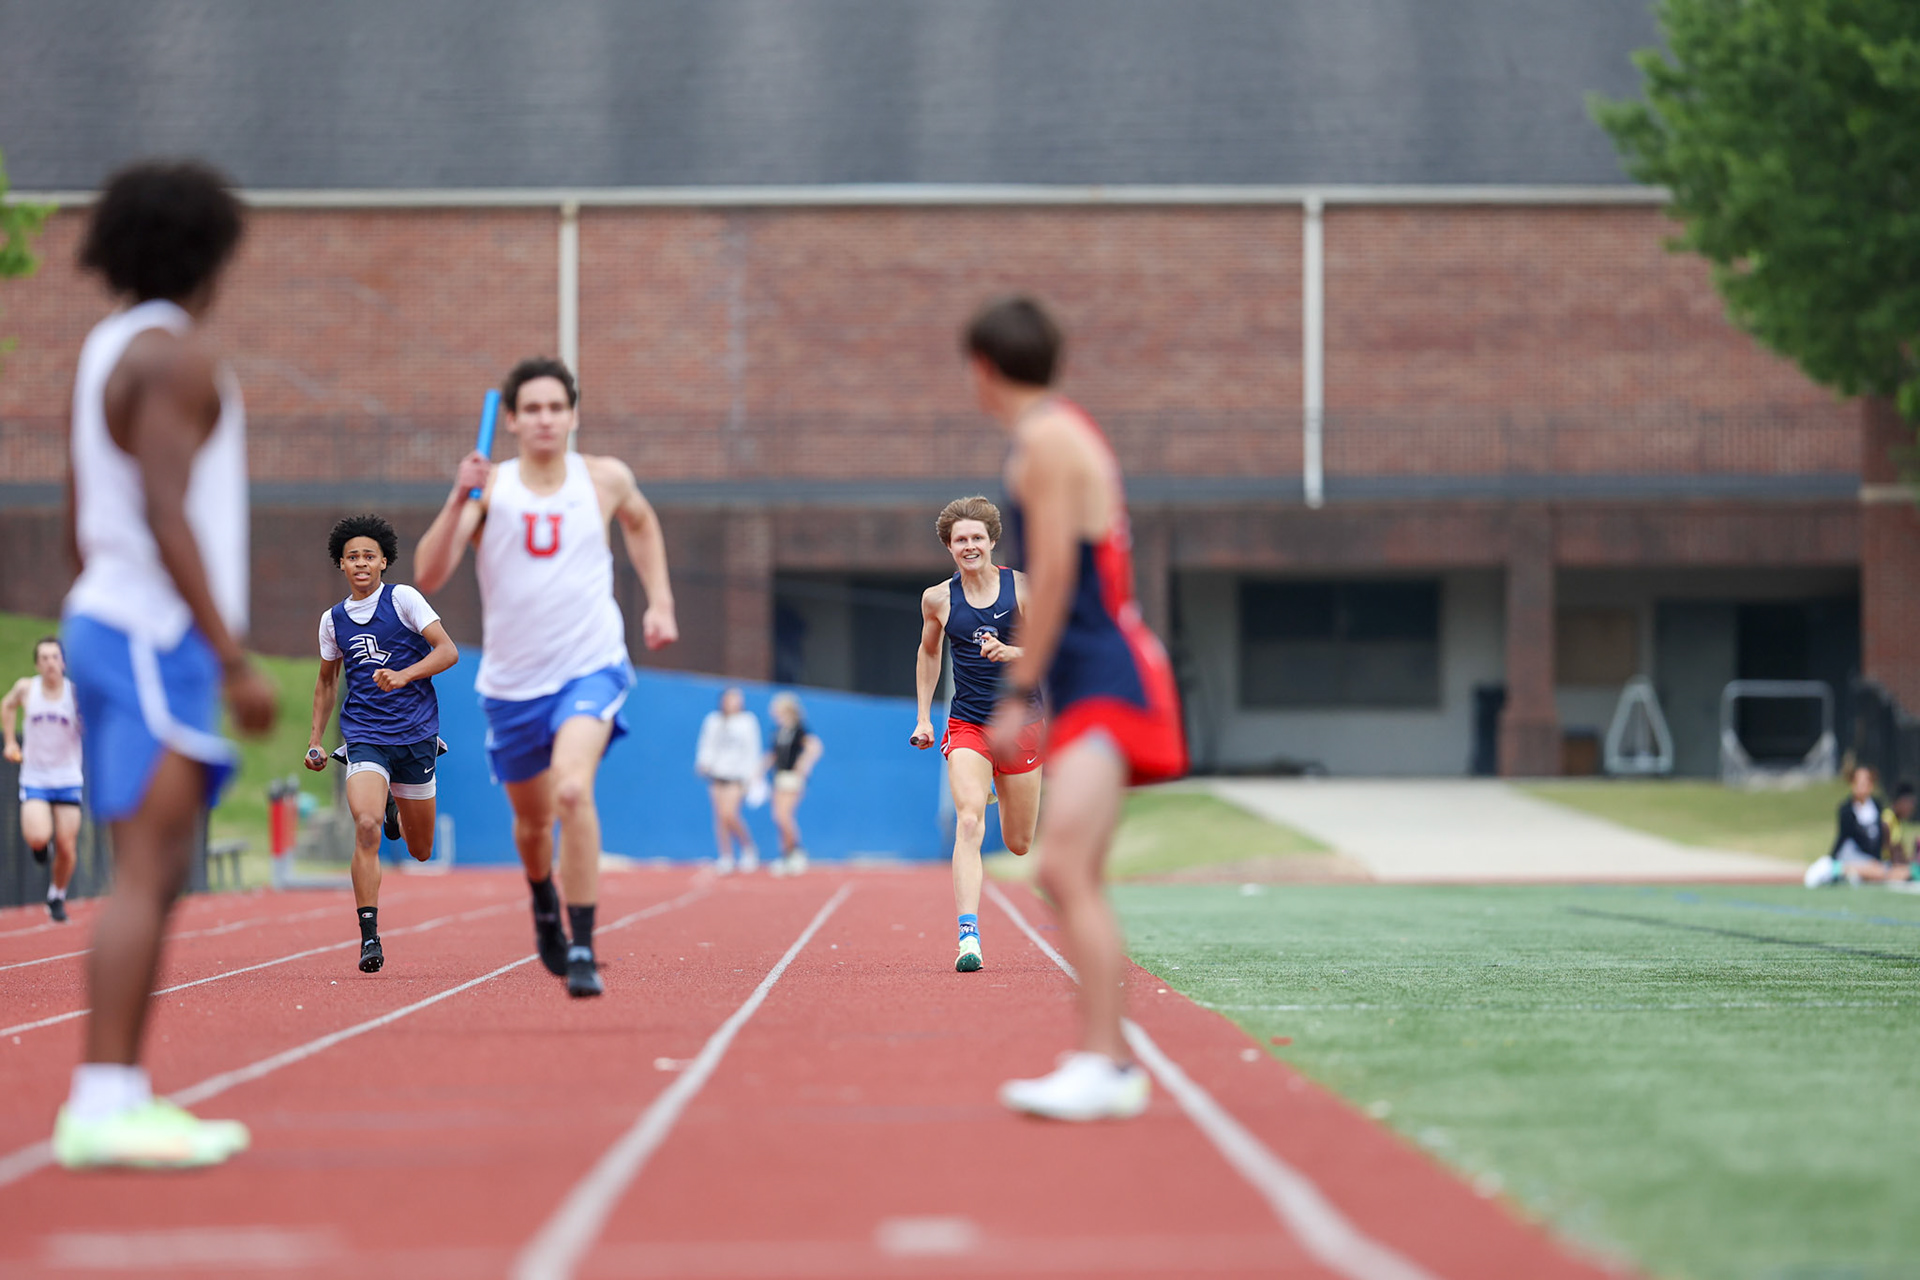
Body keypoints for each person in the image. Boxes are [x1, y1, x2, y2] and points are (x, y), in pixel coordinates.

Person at [52, 161, 276, 1168]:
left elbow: (78, 520)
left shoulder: (105, 347)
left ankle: (122, 1092)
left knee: (160, 864)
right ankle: (103, 1100)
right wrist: (233, 657)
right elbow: (161, 507)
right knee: (146, 868)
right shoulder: (176, 357)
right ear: (212, 252)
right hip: (152, 637)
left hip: (114, 622)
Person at [963, 297, 1188, 1121]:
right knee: (1072, 871)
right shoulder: (1067, 430)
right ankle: (1105, 1062)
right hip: (1108, 670)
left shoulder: (1044, 443)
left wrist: (1021, 693)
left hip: (1106, 677)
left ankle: (1105, 1063)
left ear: (982, 368)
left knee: (1062, 868)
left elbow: (1053, 573)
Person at [414, 357, 677, 997]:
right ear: (510, 420)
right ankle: (542, 902)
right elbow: (428, 575)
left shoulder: (604, 478)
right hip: (511, 684)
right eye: (531, 409)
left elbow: (641, 523)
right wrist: (457, 500)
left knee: (571, 792)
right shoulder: (489, 489)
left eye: (555, 407)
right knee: (532, 825)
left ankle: (583, 944)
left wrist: (660, 600)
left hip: (590, 666)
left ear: (573, 415)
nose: (544, 419)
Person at [303, 514, 459, 973]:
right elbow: (327, 684)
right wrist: (314, 739)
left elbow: (446, 650)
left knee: (420, 849)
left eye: (369, 556)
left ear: (384, 561)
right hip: (365, 736)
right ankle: (370, 937)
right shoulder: (332, 621)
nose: (361, 564)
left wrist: (404, 675)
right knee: (366, 826)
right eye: (352, 557)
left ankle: (397, 801)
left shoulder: (404, 599)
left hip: (414, 736)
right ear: (342, 565)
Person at [910, 496, 1043, 973]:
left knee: (1019, 842)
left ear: (991, 542)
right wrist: (925, 717)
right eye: (960, 539)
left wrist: (1013, 654)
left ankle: (996, 788)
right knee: (968, 822)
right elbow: (928, 654)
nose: (969, 546)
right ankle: (969, 935)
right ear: (949, 547)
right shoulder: (938, 599)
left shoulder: (1024, 589)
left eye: (976, 538)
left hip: (1023, 723)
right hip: (968, 722)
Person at [2, 637, 85, 922]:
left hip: (67, 777)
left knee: (67, 846)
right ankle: (40, 846)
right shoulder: (27, 688)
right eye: (45, 658)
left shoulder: (75, 695)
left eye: (55, 657)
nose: (50, 663)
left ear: (63, 662)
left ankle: (56, 896)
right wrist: (11, 742)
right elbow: (8, 705)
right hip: (35, 777)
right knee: (37, 837)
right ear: (38, 664)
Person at [1805, 765, 1914, 886]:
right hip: (1851, 853)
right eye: (1858, 782)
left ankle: (1852, 875)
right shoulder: (1846, 809)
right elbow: (1848, 838)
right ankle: (1835, 869)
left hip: (1870, 858)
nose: (1862, 786)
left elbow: (1880, 837)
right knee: (1880, 873)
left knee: (1894, 873)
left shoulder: (1877, 806)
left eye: (1865, 782)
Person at [696, 687, 763, 874]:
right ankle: (726, 855)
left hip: (737, 776)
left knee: (730, 814)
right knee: (719, 817)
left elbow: (752, 749)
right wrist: (703, 763)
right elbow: (706, 744)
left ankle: (748, 847)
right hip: (717, 774)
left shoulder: (748, 721)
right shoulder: (713, 720)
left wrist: (750, 778)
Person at [765, 691, 822, 876]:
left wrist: (804, 764)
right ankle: (786, 854)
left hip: (792, 778)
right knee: (777, 817)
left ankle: (796, 852)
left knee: (784, 816)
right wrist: (758, 771)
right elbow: (772, 755)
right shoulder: (778, 732)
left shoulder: (799, 730)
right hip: (779, 777)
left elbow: (815, 747)